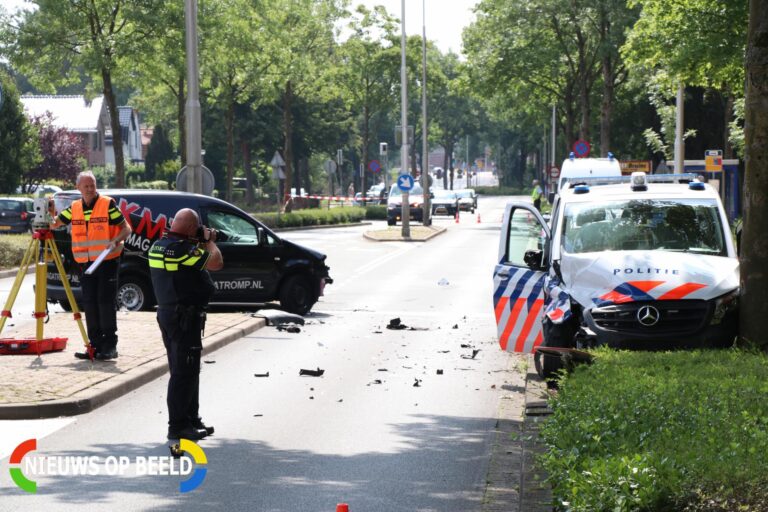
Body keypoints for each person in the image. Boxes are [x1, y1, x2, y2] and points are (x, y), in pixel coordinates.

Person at [148, 208, 223, 441]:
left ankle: (191, 419)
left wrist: (196, 241)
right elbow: (216, 263)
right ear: (191, 228)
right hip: (184, 317)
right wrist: (209, 241)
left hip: (169, 315)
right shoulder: (181, 250)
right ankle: (178, 425)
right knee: (183, 372)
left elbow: (185, 272)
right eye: (197, 226)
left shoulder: (159, 245)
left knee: (188, 370)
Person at [50, 171, 132, 360]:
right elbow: (55, 225)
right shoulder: (75, 207)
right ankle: (94, 346)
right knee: (90, 304)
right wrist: (50, 211)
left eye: (92, 185)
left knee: (105, 302)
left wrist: (115, 241)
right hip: (85, 265)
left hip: (107, 261)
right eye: (86, 186)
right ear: (78, 187)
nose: (90, 189)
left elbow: (126, 228)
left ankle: (110, 346)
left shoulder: (107, 204)